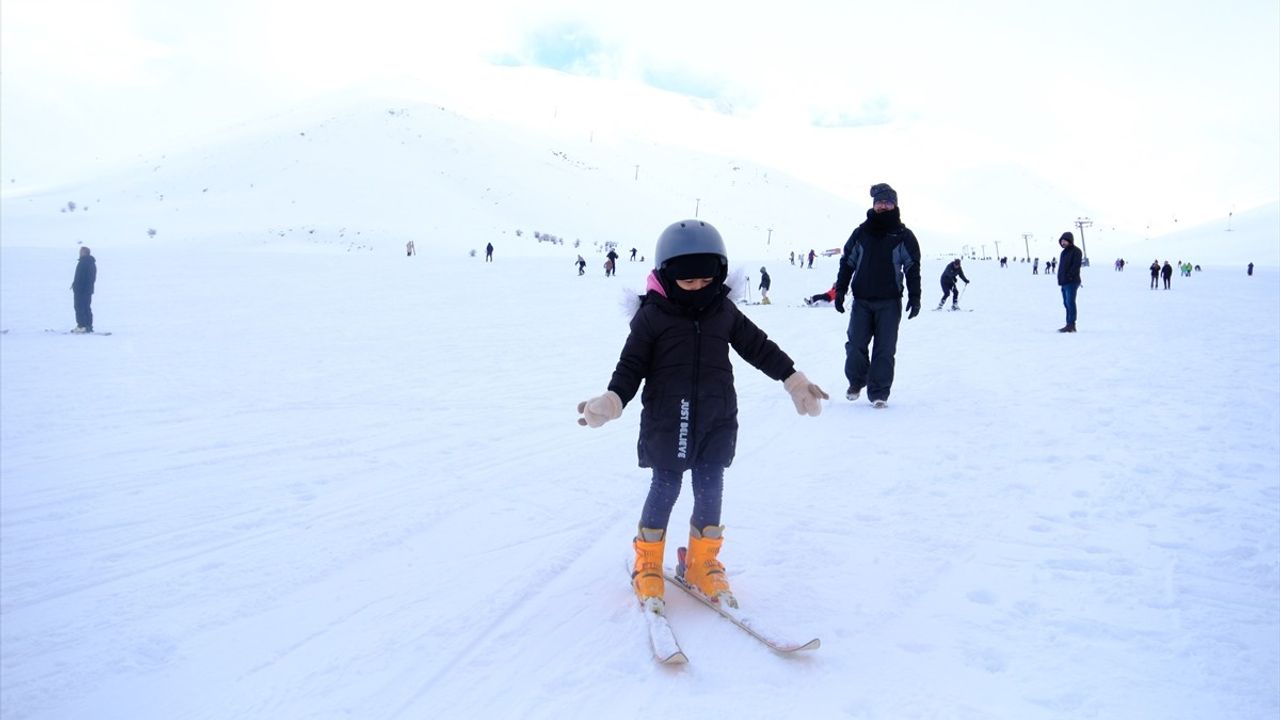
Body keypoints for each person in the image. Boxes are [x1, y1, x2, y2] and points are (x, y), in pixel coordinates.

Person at [576, 219, 828, 611]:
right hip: (667, 420)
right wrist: (613, 400)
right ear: (666, 275)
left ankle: (701, 561)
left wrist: (793, 379)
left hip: (715, 418)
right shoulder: (652, 317)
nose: (696, 288)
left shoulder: (722, 311)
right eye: (686, 281)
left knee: (711, 488)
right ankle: (648, 561)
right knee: (666, 488)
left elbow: (758, 346)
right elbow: (630, 367)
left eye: (704, 280)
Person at [832, 183, 922, 408]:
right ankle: (856, 381)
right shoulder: (861, 233)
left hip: (890, 303)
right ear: (874, 204)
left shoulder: (903, 235)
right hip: (861, 301)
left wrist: (915, 296)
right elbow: (848, 262)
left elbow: (912, 267)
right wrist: (841, 290)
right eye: (879, 202)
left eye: (887, 202)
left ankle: (879, 392)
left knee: (885, 348)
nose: (882, 205)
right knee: (855, 345)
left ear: (895, 205)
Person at [1056, 231, 1082, 333]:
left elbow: (1076, 266)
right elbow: (1061, 268)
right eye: (1061, 241)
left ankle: (1071, 324)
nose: (1063, 243)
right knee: (1066, 303)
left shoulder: (1076, 251)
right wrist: (1060, 279)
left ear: (1069, 240)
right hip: (1064, 282)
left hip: (1072, 282)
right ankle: (1068, 324)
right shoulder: (1063, 253)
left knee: (1070, 302)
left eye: (1064, 241)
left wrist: (1069, 276)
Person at [70, 246, 97, 333]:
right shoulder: (91, 263)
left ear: (84, 253)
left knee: (79, 307)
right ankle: (88, 325)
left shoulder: (83, 262)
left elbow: (80, 277)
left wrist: (77, 287)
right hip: (88, 290)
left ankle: (82, 326)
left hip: (81, 290)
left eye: (81, 251)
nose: (79, 253)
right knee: (86, 307)